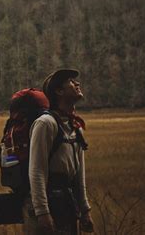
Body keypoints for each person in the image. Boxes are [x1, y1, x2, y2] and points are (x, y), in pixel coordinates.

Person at [25, 69, 94, 235]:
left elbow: (79, 175)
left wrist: (85, 210)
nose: (77, 84)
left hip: (68, 204)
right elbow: (36, 171)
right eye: (71, 82)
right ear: (59, 91)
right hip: (50, 203)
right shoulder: (45, 124)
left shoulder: (75, 128)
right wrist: (42, 213)